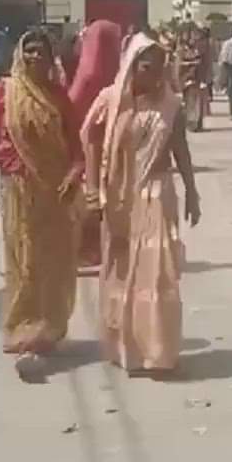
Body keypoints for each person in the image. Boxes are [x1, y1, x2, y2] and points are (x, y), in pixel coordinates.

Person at [81, 34, 201, 377]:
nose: (156, 73)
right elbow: (90, 137)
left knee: (157, 270)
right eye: (148, 66)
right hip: (120, 196)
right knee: (122, 271)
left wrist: (192, 191)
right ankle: (126, 348)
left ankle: (157, 350)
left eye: (161, 66)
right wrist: (93, 188)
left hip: (157, 191)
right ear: (133, 66)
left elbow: (180, 148)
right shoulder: (111, 100)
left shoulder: (171, 105)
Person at [0, 30, 84, 381]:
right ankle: (25, 331)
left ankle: (47, 328)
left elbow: (77, 150)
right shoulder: (3, 92)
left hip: (55, 194)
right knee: (25, 260)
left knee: (53, 263)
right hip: (18, 189)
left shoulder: (59, 97)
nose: (35, 57)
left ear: (52, 58)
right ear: (20, 54)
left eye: (42, 51)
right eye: (29, 50)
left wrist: (74, 175)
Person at [67, 20, 123, 270]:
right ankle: (95, 250)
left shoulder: (86, 74)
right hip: (105, 148)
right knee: (101, 201)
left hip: (83, 148)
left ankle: (86, 251)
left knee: (89, 203)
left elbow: (71, 108)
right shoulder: (117, 74)